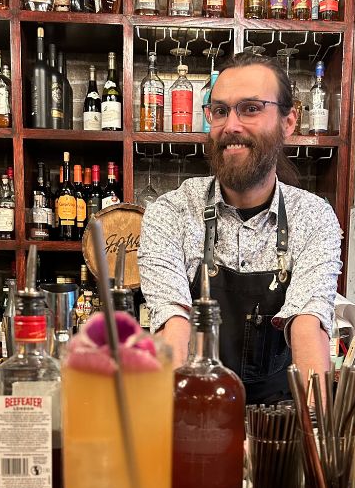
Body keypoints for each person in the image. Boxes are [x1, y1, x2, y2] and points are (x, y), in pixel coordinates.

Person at [138, 52, 342, 404]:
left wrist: (317, 437)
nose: (231, 125)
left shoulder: (314, 217)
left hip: (279, 428)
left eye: (250, 108)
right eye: (220, 111)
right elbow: (175, 328)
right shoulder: (169, 213)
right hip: (196, 412)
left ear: (288, 121)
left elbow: (308, 326)